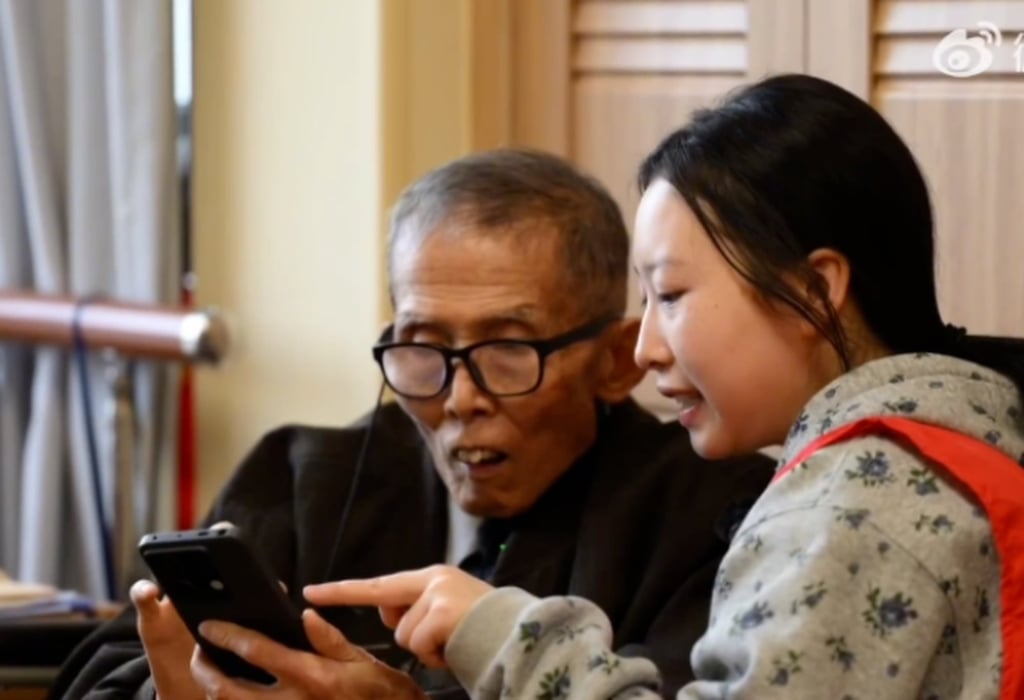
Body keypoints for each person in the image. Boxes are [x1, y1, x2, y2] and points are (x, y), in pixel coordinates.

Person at [307, 75, 1024, 699]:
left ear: (812, 288)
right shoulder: (949, 444)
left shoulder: (860, 503)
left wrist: (502, 638)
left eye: (671, 295)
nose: (646, 349)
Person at [52, 149, 774, 699]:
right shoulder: (305, 478)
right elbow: (97, 670)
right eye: (424, 349)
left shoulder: (717, 517)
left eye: (506, 349)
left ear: (616, 359)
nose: (460, 398)